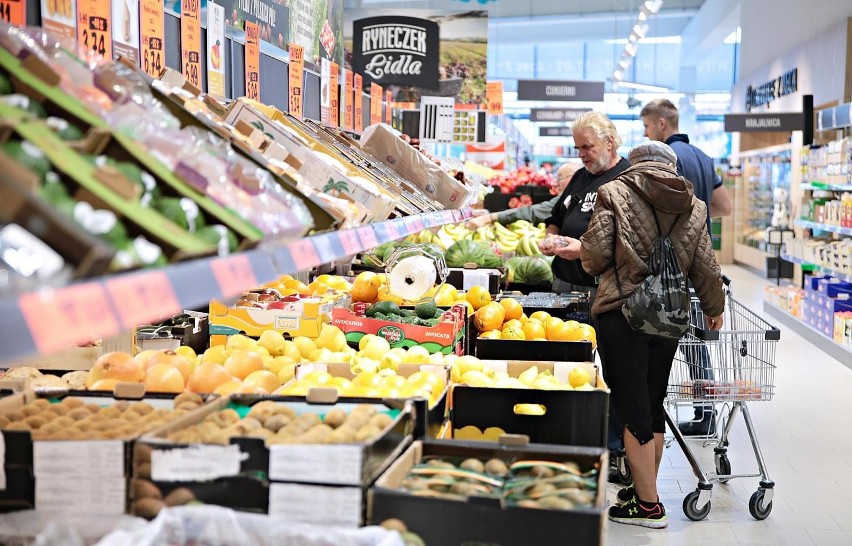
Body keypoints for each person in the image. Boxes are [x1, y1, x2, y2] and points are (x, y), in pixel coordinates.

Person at [579, 141, 725, 529]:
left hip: (621, 314)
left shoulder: (613, 192)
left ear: (636, 162)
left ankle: (647, 507)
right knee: (652, 404)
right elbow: (706, 268)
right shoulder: (694, 205)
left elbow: (593, 256)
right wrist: (714, 308)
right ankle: (645, 489)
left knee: (631, 410)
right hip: (670, 316)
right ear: (672, 167)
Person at [640, 98, 732, 435]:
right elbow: (723, 205)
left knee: (660, 340)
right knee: (696, 341)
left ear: (662, 124)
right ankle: (705, 411)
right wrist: (699, 219)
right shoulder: (706, 160)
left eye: (647, 126)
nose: (646, 133)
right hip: (699, 262)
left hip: (667, 267)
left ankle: (651, 414)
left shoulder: (663, 161)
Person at [540, 111, 631, 295]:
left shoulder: (628, 178)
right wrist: (550, 238)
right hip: (563, 283)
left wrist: (584, 251)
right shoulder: (580, 176)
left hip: (601, 290)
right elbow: (555, 219)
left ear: (609, 142)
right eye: (577, 148)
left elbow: (633, 241)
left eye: (587, 147)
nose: (581, 154)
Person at [466, 162, 581, 229]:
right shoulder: (571, 196)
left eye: (560, 178)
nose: (556, 183)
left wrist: (489, 217)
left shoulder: (570, 197)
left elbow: (533, 212)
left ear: (575, 176)